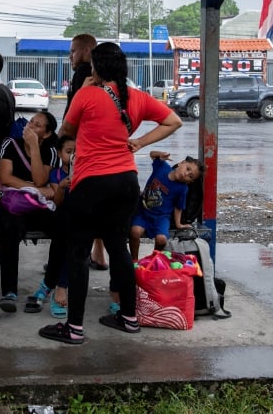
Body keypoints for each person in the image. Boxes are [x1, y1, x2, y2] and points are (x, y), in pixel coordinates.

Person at [38, 42, 183, 345]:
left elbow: (66, 129)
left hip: (92, 183)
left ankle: (74, 328)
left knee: (78, 254)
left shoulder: (87, 94)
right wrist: (140, 142)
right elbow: (174, 121)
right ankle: (129, 318)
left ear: (97, 67)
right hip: (126, 182)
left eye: (91, 64)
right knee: (119, 250)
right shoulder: (138, 98)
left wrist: (84, 92)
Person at [0, 112, 59, 313]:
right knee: (9, 229)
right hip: (12, 202)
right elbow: (6, 178)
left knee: (63, 228)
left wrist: (34, 148)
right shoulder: (10, 143)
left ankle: (48, 285)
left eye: (37, 125)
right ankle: (9, 292)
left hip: (37, 206)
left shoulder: (50, 151)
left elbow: (40, 179)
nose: (30, 126)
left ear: (47, 134)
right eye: (31, 122)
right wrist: (35, 189)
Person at [66, 34, 108, 272]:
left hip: (81, 147)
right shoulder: (102, 78)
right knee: (98, 203)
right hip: (99, 149)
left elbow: (75, 112)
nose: (70, 56)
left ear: (85, 51)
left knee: (77, 205)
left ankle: (70, 261)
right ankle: (99, 253)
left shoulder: (83, 73)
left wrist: (65, 139)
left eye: (72, 51)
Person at [25, 133, 74, 319]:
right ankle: (58, 286)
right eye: (69, 152)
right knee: (64, 237)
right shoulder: (57, 174)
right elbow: (59, 202)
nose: (73, 156)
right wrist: (61, 187)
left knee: (71, 237)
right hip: (63, 217)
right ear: (60, 153)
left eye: (76, 152)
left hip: (79, 219)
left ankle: (50, 285)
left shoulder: (86, 171)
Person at [129, 151, 205, 259]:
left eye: (190, 176)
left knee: (162, 239)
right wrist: (160, 155)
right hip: (143, 212)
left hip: (161, 218)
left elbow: (178, 206)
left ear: (190, 181)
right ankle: (134, 260)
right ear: (181, 163)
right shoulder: (162, 167)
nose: (186, 174)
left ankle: (154, 259)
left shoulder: (182, 189)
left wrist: (179, 224)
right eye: (187, 169)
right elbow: (151, 154)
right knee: (135, 232)